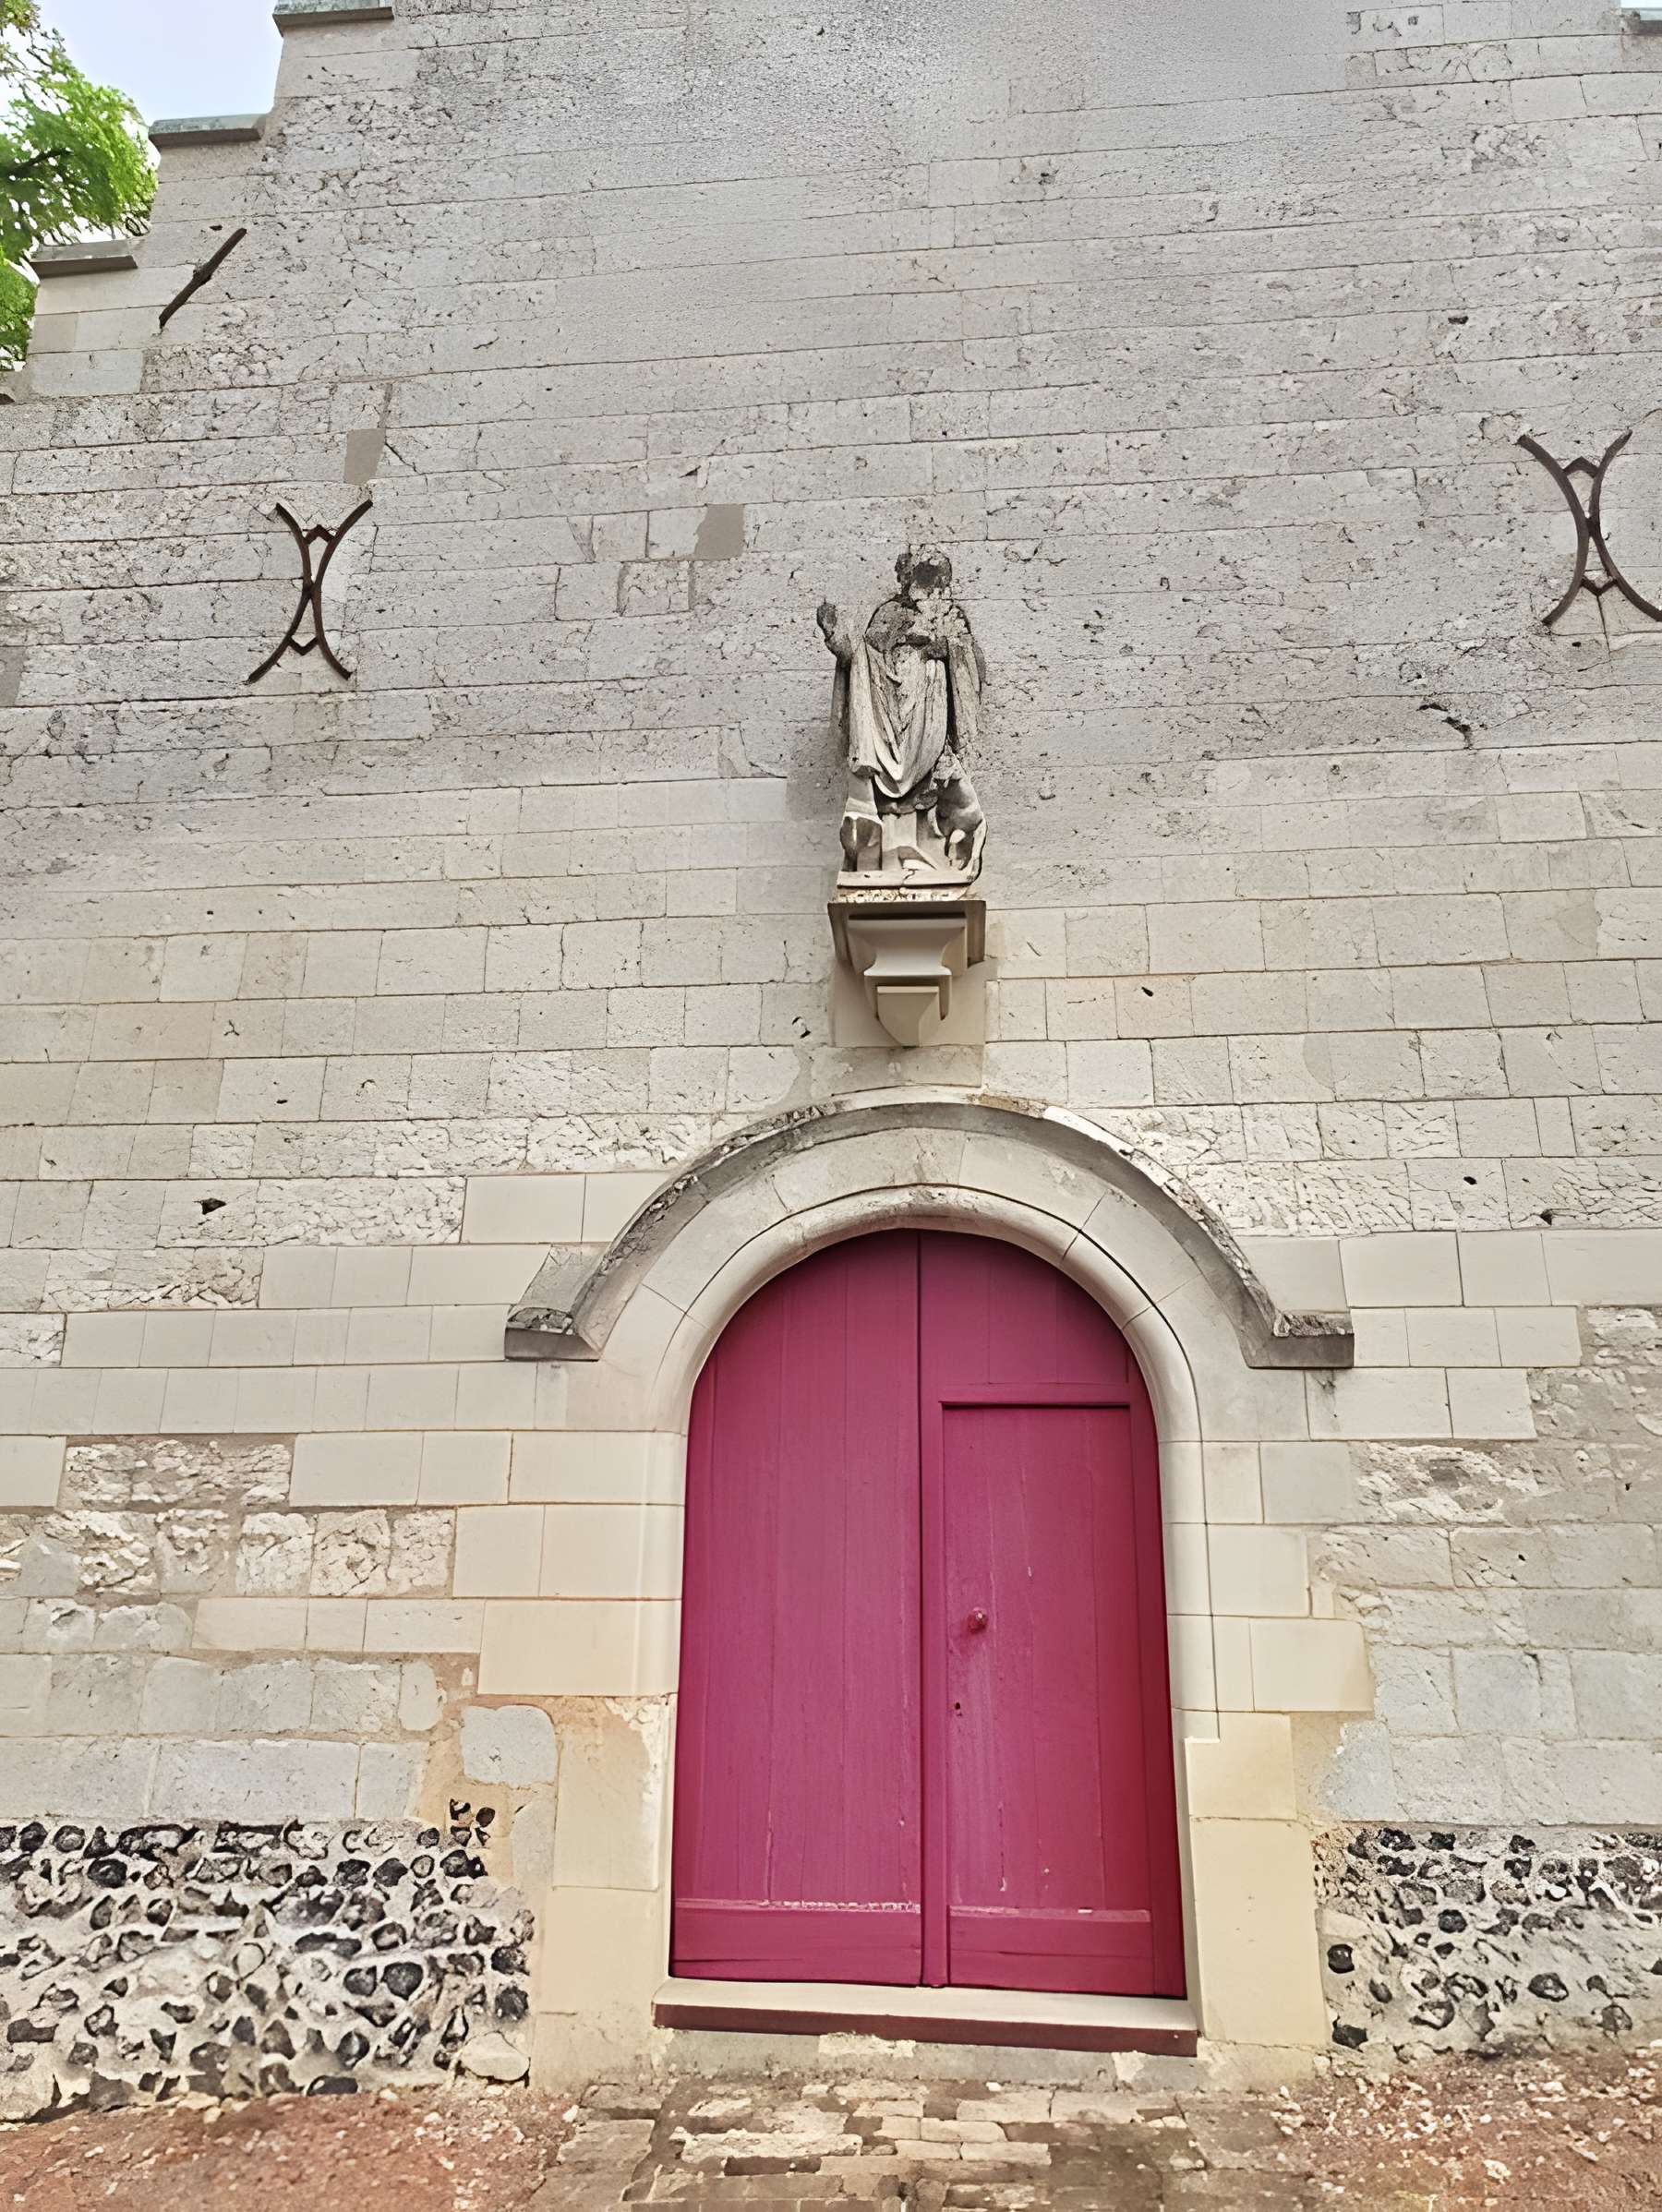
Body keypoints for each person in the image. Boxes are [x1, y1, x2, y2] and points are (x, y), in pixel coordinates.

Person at [817, 546, 987, 879]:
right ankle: (887, 842)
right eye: (911, 574)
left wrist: (947, 647)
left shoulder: (949, 615)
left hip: (927, 710)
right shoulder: (887, 613)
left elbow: (971, 666)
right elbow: (863, 656)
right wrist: (842, 641)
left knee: (930, 775)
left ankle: (919, 846)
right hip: (888, 711)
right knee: (890, 779)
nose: (915, 582)